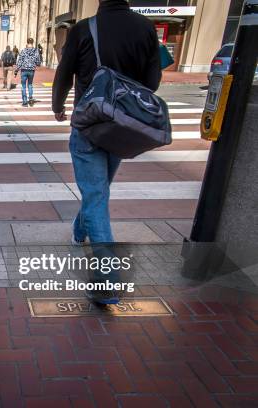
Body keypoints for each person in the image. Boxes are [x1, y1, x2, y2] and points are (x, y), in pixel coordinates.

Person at [51, 0, 162, 304]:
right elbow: (153, 81)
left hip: (89, 123)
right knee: (98, 190)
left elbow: (64, 72)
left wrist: (58, 106)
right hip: (125, 126)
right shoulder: (146, 28)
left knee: (96, 194)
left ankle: (107, 281)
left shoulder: (84, 28)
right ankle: (78, 232)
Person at [14, 38, 41, 107]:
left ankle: (25, 102)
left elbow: (20, 61)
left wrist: (16, 70)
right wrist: (36, 64)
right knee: (30, 84)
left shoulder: (23, 51)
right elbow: (38, 62)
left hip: (24, 70)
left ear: (27, 42)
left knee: (23, 86)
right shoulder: (36, 51)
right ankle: (31, 97)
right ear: (33, 42)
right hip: (31, 70)